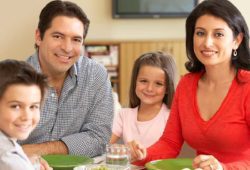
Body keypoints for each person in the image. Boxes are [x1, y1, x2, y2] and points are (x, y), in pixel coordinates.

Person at [132, 0, 250, 169]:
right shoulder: (186, 84)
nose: (207, 43)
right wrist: (143, 153)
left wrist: (223, 168)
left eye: (218, 34)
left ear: (237, 40)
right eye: (200, 33)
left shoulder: (247, 87)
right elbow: (170, 143)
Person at [20, 0, 114, 158]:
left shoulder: (96, 75)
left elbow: (99, 138)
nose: (67, 48)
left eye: (76, 39)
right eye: (58, 36)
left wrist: (39, 150)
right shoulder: (9, 79)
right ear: (38, 36)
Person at [110, 51, 178, 151]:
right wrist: (122, 149)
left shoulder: (171, 118)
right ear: (135, 82)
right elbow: (104, 145)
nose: (149, 89)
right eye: (143, 81)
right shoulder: (123, 115)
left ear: (168, 88)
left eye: (158, 84)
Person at [0, 60, 51, 170]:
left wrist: (26, 162)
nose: (27, 116)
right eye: (15, 106)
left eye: (33, 106)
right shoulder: (8, 159)